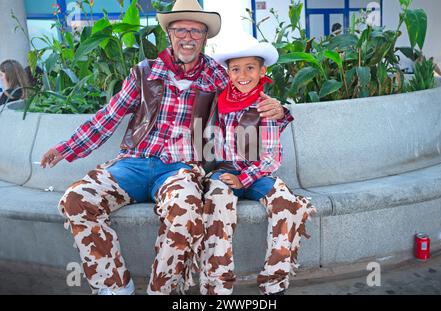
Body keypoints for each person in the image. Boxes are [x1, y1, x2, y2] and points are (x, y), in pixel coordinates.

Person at [39, 0, 287, 295]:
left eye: (196, 31)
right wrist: (66, 148)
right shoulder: (144, 73)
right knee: (76, 199)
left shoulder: (217, 76)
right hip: (132, 163)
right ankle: (115, 286)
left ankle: (163, 291)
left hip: (180, 169)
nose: (188, 37)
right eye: (181, 29)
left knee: (185, 212)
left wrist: (278, 109)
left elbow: (247, 91)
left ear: (205, 37)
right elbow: (109, 117)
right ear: (169, 32)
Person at [199, 32, 316, 295]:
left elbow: (271, 157)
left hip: (256, 174)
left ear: (262, 70)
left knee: (286, 201)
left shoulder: (266, 107)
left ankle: (275, 282)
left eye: (250, 68)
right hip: (224, 171)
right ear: (227, 73)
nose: (243, 75)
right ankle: (217, 285)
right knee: (217, 198)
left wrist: (245, 178)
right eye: (235, 69)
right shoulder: (218, 102)